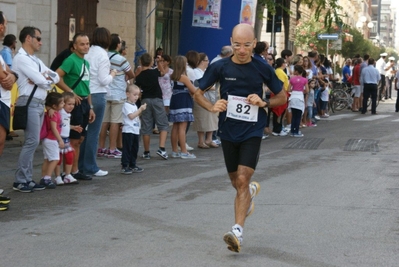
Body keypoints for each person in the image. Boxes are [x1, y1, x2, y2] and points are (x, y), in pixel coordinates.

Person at [194, 23, 286, 253]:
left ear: (254, 43)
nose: (242, 50)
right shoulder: (220, 67)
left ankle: (237, 231)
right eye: (237, 45)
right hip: (228, 130)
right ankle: (250, 194)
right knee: (237, 183)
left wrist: (263, 102)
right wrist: (213, 106)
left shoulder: (262, 67)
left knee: (243, 180)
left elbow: (282, 95)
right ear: (231, 42)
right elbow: (197, 92)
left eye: (246, 45)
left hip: (253, 129)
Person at [13, 26, 60, 192]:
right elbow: (43, 80)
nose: (40, 42)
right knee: (31, 141)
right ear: (28, 38)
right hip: (30, 102)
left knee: (33, 141)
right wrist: (44, 78)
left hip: (39, 102)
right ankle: (21, 180)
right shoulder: (21, 58)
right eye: (38, 38)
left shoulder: (36, 60)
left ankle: (26, 178)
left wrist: (44, 78)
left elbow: (55, 76)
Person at [56, 33, 94, 181]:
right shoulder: (70, 60)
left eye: (87, 43)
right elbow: (56, 76)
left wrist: (90, 107)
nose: (86, 46)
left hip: (85, 103)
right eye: (82, 44)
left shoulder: (86, 63)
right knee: (73, 140)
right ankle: (68, 172)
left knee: (80, 139)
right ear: (75, 46)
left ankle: (75, 170)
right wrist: (70, 92)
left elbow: (87, 86)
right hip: (74, 103)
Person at [81, 27, 116, 177]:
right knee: (93, 132)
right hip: (98, 93)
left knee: (83, 132)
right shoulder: (103, 55)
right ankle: (90, 166)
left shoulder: (88, 52)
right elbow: (103, 79)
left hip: (85, 93)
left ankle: (80, 165)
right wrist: (113, 74)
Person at [98, 33, 134, 159]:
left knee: (104, 121)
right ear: (118, 45)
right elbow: (131, 73)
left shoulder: (103, 56)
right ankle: (112, 148)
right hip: (118, 93)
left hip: (105, 91)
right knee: (115, 122)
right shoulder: (121, 59)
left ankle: (100, 147)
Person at [134, 52, 169, 160]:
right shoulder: (155, 72)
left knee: (146, 125)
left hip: (145, 100)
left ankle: (146, 151)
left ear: (140, 62)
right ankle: (161, 148)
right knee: (163, 124)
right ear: (151, 62)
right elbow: (163, 73)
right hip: (157, 99)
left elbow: (136, 87)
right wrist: (159, 63)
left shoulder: (139, 76)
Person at [0, 11, 17, 204]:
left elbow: (10, 73)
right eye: (4, 23)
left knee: (1, 144)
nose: (5, 27)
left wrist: (12, 75)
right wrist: (9, 75)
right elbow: (5, 78)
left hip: (3, 102)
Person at [169, 55, 197, 159]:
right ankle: (184, 151)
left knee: (175, 126)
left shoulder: (172, 76)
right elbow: (193, 90)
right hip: (184, 101)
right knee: (182, 127)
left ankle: (174, 150)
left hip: (175, 100)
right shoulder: (184, 77)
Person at [192, 52, 218, 149]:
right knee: (202, 119)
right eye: (206, 60)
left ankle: (209, 139)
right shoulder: (196, 71)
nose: (208, 62)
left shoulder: (207, 71)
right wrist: (213, 87)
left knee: (212, 118)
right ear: (201, 61)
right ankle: (201, 141)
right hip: (202, 98)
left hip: (210, 98)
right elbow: (200, 84)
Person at [54, 92, 81, 185]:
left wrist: (73, 127)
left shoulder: (68, 114)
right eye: (69, 104)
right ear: (63, 104)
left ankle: (67, 175)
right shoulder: (60, 113)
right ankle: (57, 176)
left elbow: (65, 125)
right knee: (58, 159)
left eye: (73, 104)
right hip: (59, 139)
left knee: (70, 156)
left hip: (66, 139)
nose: (71, 106)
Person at [40, 92, 65, 189]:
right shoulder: (55, 114)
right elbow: (54, 128)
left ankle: (43, 177)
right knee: (55, 159)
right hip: (52, 139)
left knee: (47, 159)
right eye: (62, 103)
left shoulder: (52, 112)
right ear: (54, 105)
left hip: (48, 139)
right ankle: (47, 178)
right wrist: (60, 140)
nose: (63, 104)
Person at [120, 84, 146, 174]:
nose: (136, 97)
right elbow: (131, 116)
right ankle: (125, 165)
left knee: (134, 148)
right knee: (127, 148)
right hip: (128, 130)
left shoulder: (134, 105)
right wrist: (140, 110)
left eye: (137, 95)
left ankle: (132, 164)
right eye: (134, 95)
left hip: (135, 130)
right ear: (128, 94)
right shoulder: (126, 105)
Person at [288, 65, 309, 137]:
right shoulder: (304, 80)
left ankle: (292, 131)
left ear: (297, 71)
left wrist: (294, 90)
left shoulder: (292, 79)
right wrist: (301, 91)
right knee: (298, 116)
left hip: (293, 97)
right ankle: (296, 131)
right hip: (299, 97)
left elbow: (288, 89)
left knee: (294, 115)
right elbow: (307, 90)